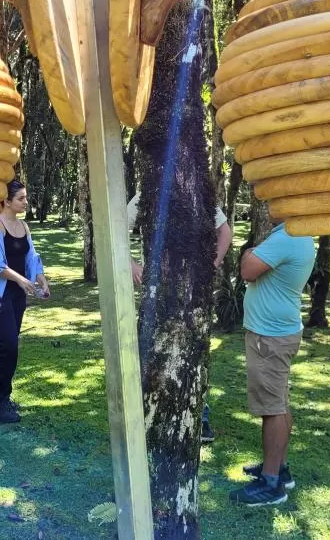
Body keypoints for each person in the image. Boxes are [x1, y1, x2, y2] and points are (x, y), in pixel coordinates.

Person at [126, 192, 231, 442]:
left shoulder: (199, 189)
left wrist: (213, 263)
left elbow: (224, 231)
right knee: (154, 352)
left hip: (194, 293)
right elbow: (117, 228)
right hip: (158, 291)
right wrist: (131, 263)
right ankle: (152, 416)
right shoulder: (146, 193)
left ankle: (199, 417)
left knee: (193, 354)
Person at [229, 220, 315, 507]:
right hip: (277, 333)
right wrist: (253, 253)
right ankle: (279, 467)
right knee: (278, 402)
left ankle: (271, 483)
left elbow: (247, 270)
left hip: (270, 337)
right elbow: (254, 264)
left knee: (272, 408)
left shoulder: (289, 235)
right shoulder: (294, 233)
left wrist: (249, 254)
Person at [0, 179, 49, 424]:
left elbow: (32, 257)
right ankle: (2, 401)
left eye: (25, 197)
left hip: (17, 294)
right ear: (6, 201)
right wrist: (21, 280)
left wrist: (40, 279)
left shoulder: (24, 227)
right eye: (21, 198)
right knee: (9, 343)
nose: (25, 202)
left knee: (4, 343)